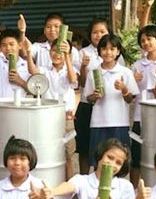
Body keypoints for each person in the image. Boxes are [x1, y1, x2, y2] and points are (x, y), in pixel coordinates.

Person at [25, 37, 78, 181]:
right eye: (54, 50)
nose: (57, 54)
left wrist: (67, 56)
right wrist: (29, 53)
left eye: (60, 51)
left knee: (68, 155)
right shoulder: (45, 70)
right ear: (49, 52)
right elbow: (33, 71)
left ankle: (69, 193)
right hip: (47, 117)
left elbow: (73, 80)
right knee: (48, 152)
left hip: (66, 118)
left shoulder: (70, 69)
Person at [86, 34, 138, 169]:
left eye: (112, 49)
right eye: (104, 49)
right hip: (98, 122)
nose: (108, 52)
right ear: (99, 51)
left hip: (119, 122)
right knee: (99, 160)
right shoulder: (93, 73)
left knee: (119, 160)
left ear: (118, 52)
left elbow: (130, 99)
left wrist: (124, 89)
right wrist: (94, 96)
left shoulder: (125, 72)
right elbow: (88, 99)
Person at [76, 18, 111, 173]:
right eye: (95, 32)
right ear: (89, 35)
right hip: (87, 105)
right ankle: (84, 178)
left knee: (104, 147)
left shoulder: (115, 53)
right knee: (84, 146)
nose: (98, 35)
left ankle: (101, 180)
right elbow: (81, 83)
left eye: (102, 31)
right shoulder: (83, 53)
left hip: (107, 106)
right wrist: (83, 66)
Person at [130, 25, 156, 183]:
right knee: (136, 156)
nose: (146, 43)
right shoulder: (137, 66)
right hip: (140, 115)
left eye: (149, 38)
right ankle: (134, 189)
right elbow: (130, 94)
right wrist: (133, 82)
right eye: (142, 40)